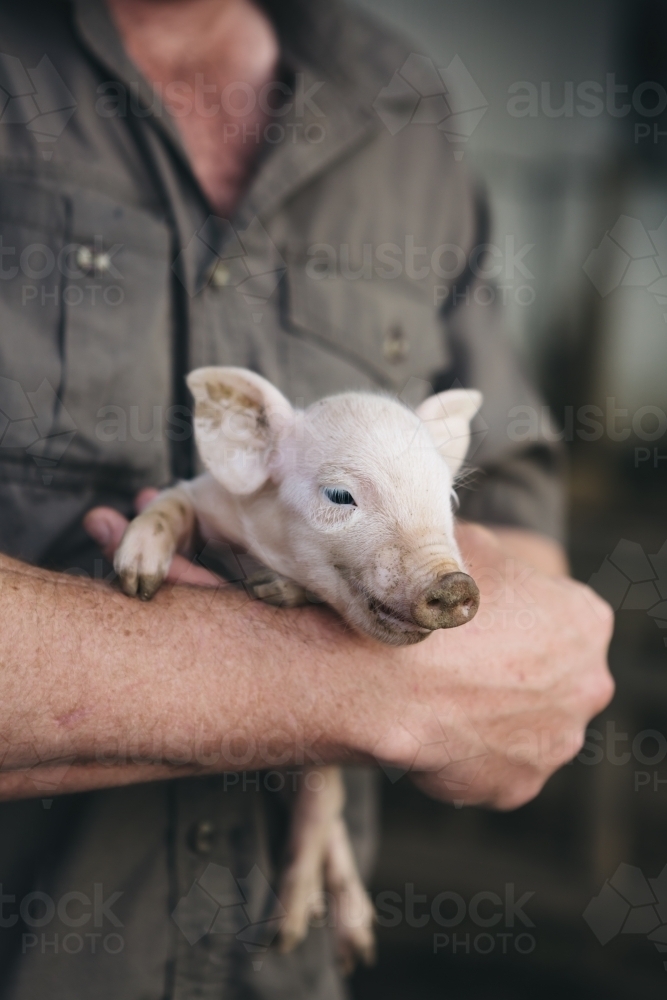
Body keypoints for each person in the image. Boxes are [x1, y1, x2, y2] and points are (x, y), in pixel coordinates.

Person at [0, 0, 613, 997]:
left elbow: (517, 549)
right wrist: (345, 688)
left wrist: (466, 675)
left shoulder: (403, 107)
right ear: (239, 428)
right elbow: (455, 674)